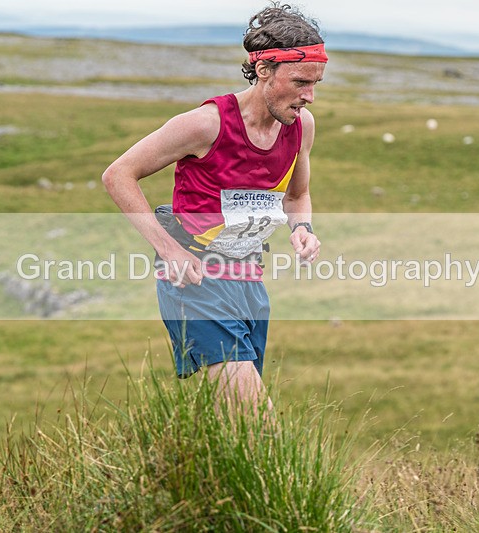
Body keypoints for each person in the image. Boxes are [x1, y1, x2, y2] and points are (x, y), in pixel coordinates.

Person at [102, 3, 326, 412]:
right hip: (196, 283)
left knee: (229, 425)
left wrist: (303, 229)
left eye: (316, 84)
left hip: (250, 284)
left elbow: (296, 196)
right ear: (263, 71)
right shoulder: (205, 124)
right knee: (257, 419)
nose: (309, 97)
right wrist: (169, 250)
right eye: (299, 82)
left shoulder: (301, 127)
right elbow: (118, 175)